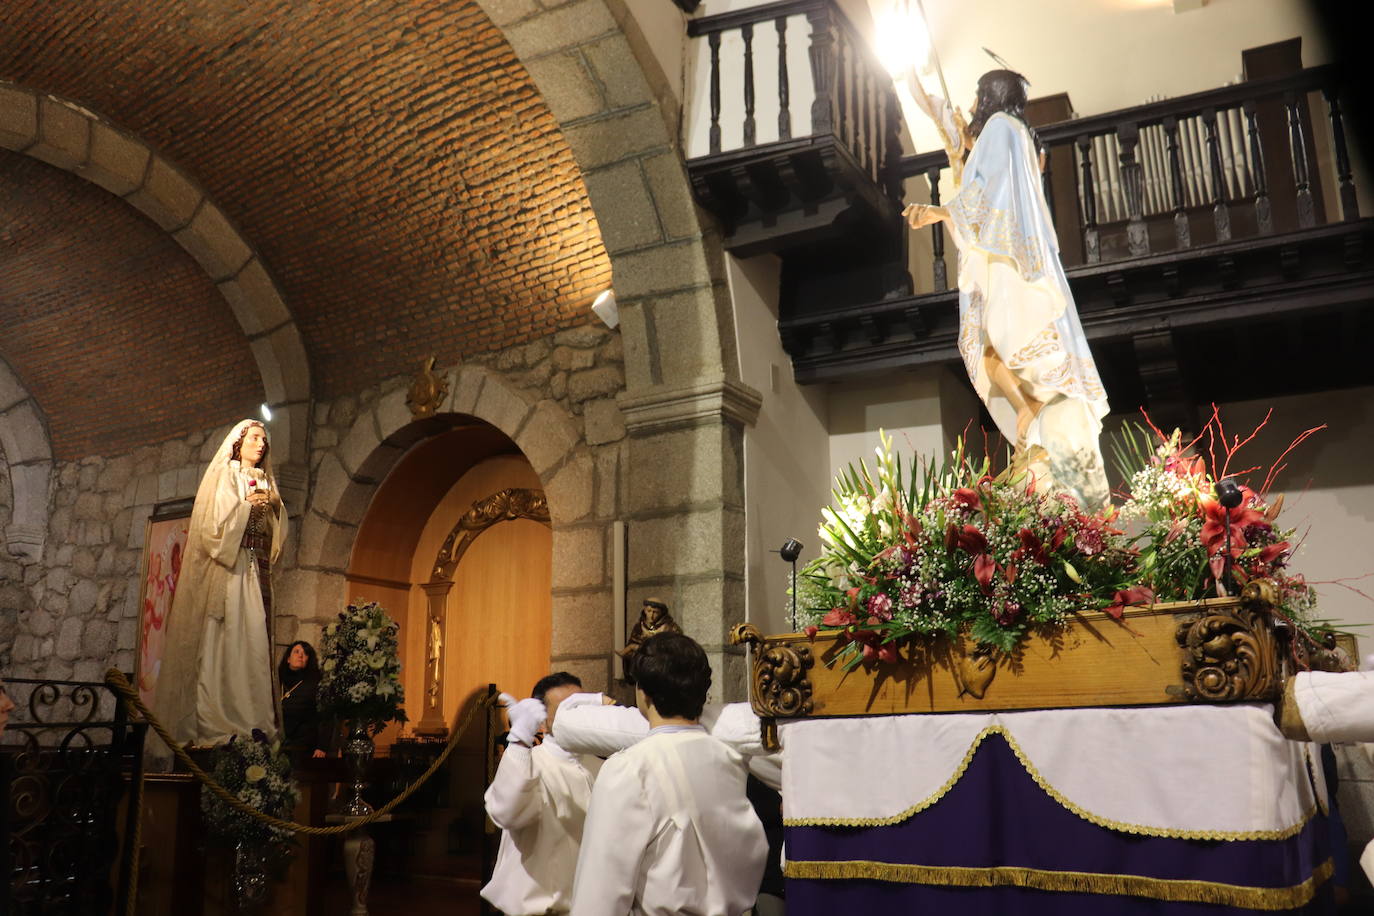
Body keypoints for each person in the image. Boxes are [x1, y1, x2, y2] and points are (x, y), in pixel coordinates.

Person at [904, 69, 1111, 511]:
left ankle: (1028, 408)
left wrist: (940, 212)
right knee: (986, 345)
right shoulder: (1013, 134)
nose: (974, 105)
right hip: (999, 254)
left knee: (998, 341)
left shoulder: (1001, 129)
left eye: (979, 96)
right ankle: (1026, 410)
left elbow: (987, 192)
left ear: (990, 97)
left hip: (1006, 259)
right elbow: (959, 143)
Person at [570, 633, 767, 916]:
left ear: (643, 692)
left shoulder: (630, 768)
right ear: (703, 692)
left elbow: (599, 895)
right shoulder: (729, 759)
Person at [152, 419, 288, 750]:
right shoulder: (227, 475)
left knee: (254, 638)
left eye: (264, 440)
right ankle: (222, 716)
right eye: (255, 438)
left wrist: (271, 506)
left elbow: (278, 527)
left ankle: (255, 718)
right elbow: (214, 527)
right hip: (233, 566)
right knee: (229, 639)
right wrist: (248, 507)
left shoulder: (266, 481)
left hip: (257, 565)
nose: (261, 445)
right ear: (238, 442)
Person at [481, 672, 603, 915]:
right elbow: (506, 813)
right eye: (566, 711)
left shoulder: (600, 765)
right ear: (542, 721)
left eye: (580, 707)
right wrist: (519, 742)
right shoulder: (527, 764)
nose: (578, 718)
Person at [278, 641, 331, 763]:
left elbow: (326, 716)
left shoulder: (315, 683)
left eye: (305, 653)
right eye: (297, 652)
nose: (300, 655)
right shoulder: (277, 682)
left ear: (308, 660)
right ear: (288, 659)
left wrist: (322, 746)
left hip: (304, 746)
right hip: (278, 742)